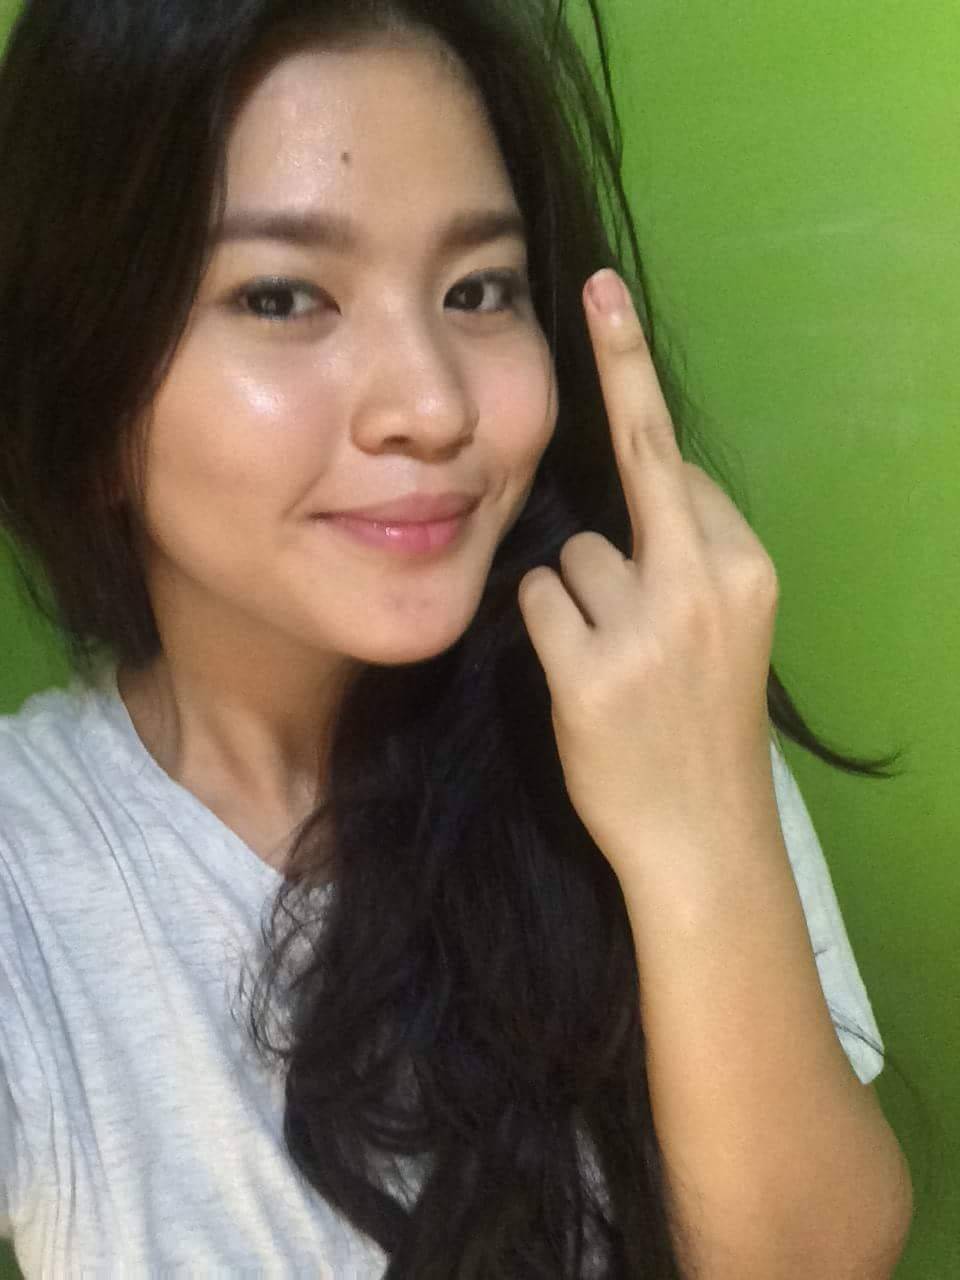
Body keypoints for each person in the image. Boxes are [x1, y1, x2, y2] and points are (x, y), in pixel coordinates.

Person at [0, 0, 912, 1275]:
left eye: (479, 289)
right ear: (87, 394)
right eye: (282, 295)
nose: (432, 406)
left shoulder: (643, 694)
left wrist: (697, 823)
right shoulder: (33, 868)